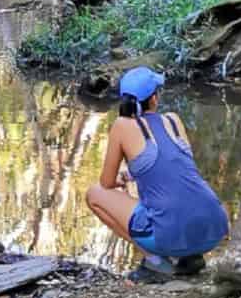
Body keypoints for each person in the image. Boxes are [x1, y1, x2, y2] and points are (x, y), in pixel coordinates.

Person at [85, 65, 229, 282]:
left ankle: (155, 261)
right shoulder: (173, 120)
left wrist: (121, 179)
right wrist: (131, 174)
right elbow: (175, 166)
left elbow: (105, 183)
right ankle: (191, 258)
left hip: (169, 234)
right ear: (154, 99)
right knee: (180, 200)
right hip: (215, 227)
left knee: (94, 195)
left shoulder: (122, 126)